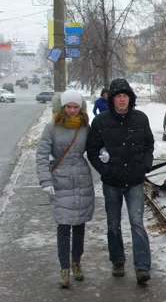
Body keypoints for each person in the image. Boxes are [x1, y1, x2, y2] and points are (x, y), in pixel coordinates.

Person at [86, 78, 154, 284]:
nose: (122, 100)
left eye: (125, 96)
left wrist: (145, 165)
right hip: (112, 182)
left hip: (134, 180)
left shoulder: (141, 119)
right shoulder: (101, 122)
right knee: (113, 225)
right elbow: (92, 151)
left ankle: (142, 266)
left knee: (137, 223)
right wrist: (104, 171)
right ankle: (117, 260)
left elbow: (149, 144)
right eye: (118, 96)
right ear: (112, 99)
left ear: (130, 99)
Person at [36, 90, 95, 288]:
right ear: (63, 107)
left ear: (81, 108)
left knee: (79, 225)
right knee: (63, 226)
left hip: (81, 179)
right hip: (60, 180)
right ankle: (64, 268)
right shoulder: (51, 127)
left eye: (75, 107)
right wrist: (45, 181)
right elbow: (42, 155)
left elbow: (94, 147)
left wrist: (103, 153)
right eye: (68, 107)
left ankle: (77, 262)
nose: (71, 110)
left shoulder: (85, 127)